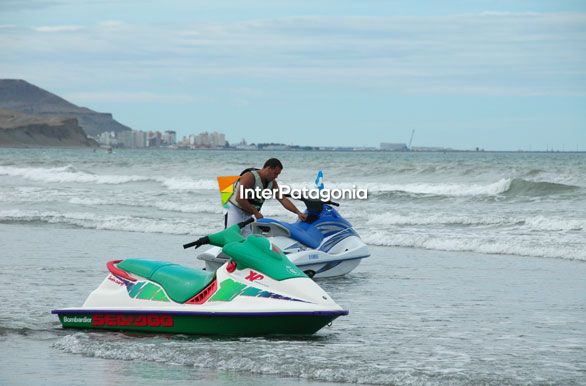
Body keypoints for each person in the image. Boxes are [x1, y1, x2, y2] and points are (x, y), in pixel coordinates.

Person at [226, 158, 307, 236]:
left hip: (248, 213)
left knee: (247, 239)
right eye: (275, 173)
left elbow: (282, 199)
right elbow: (239, 199)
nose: (276, 176)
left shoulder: (272, 183)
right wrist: (256, 212)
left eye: (278, 174)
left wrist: (298, 212)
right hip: (234, 210)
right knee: (232, 236)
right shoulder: (249, 177)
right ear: (268, 169)